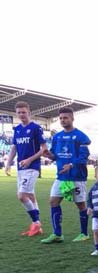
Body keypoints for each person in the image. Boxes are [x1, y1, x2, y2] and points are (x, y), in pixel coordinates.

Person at [41, 107, 91, 243]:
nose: (63, 120)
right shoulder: (57, 137)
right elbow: (54, 156)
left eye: (66, 118)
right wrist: (48, 155)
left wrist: (71, 164)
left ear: (72, 118)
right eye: (61, 118)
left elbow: (84, 157)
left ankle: (84, 233)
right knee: (53, 201)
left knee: (80, 205)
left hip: (76, 176)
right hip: (61, 176)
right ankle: (57, 234)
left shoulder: (81, 136)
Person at [5, 101, 47, 236]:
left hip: (32, 167)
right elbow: (14, 148)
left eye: (24, 112)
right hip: (20, 168)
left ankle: (36, 223)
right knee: (30, 196)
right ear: (16, 114)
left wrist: (29, 160)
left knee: (21, 196)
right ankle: (37, 227)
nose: (21, 115)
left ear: (29, 112)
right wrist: (8, 164)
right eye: (19, 113)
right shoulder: (17, 129)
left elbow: (44, 149)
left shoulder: (36, 128)